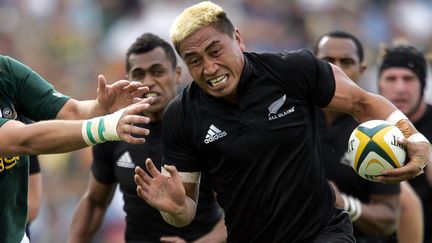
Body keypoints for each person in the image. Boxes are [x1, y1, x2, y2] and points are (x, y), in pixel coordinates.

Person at [133, 1, 431, 242]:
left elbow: (362, 101)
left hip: (322, 232)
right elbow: (184, 209)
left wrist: (415, 138)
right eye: (195, 60)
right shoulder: (181, 116)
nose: (210, 68)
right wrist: (173, 211)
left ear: (237, 38)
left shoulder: (291, 70)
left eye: (215, 51)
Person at [68, 33, 226, 243]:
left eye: (157, 72)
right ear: (129, 81)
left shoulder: (205, 126)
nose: (148, 82)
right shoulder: (114, 129)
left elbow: (241, 210)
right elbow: (95, 203)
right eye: (139, 74)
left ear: (178, 74)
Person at [0, 54, 153, 243]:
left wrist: (101, 108)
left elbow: (72, 111)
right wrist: (107, 126)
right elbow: (22, 140)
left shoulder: (5, 71)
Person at [314, 30, 423, 243]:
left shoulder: (378, 130)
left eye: (346, 62)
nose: (336, 69)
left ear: (362, 70)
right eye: (327, 61)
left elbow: (393, 217)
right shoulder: (290, 118)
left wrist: (344, 203)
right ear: (311, 66)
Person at [377, 44, 432, 243]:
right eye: (391, 79)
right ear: (379, 85)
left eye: (408, 79)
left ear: (423, 85)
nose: (400, 88)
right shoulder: (363, 128)